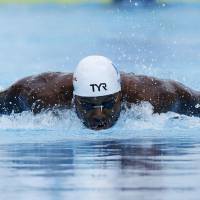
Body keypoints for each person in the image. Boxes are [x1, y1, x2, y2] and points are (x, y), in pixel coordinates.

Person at [0, 55, 200, 130]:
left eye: (108, 104)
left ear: (121, 96)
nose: (98, 115)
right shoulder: (40, 95)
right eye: (87, 105)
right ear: (74, 99)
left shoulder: (155, 96)